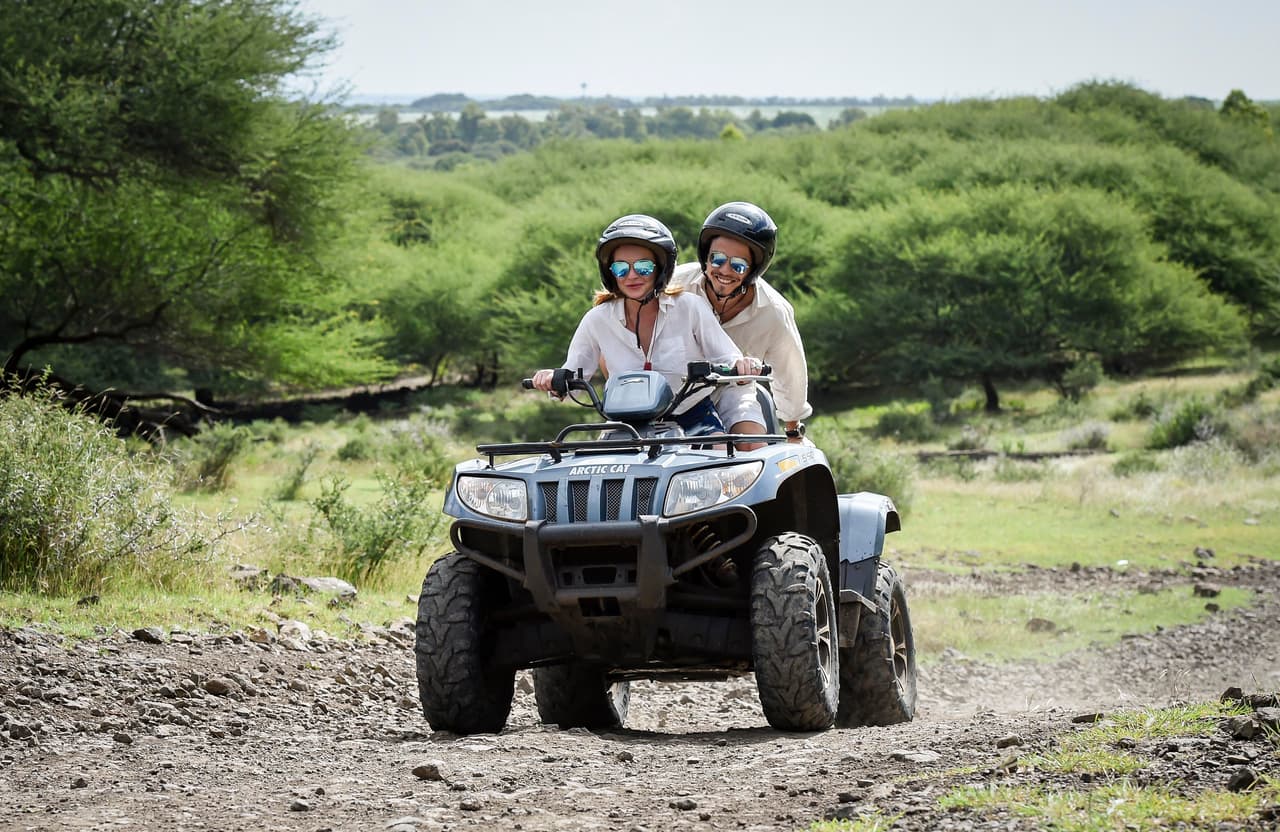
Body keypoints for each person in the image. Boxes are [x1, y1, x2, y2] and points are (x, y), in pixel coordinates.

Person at [532, 214, 763, 439]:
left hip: (692, 416)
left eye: (643, 267)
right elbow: (574, 379)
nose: (632, 276)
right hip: (625, 424)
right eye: (621, 268)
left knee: (720, 458)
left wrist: (743, 367)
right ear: (609, 272)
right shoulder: (597, 319)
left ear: (661, 268)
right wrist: (554, 379)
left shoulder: (689, 306)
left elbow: (728, 359)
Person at [671, 201, 812, 444]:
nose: (724, 270)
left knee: (752, 448)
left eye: (738, 265)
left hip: (734, 390)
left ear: (753, 269)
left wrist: (792, 429)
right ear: (705, 256)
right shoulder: (674, 286)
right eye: (717, 259)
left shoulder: (774, 311)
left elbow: (790, 372)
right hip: (673, 391)